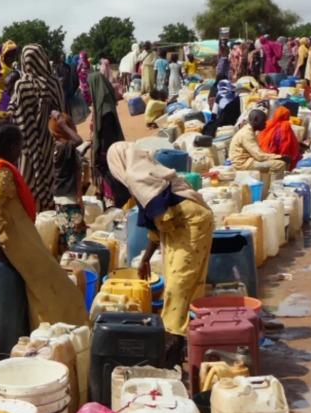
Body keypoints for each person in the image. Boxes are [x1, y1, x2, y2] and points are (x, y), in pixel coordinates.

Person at [0, 121, 88, 328]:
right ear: (11, 147)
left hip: (20, 240)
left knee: (45, 288)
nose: (20, 151)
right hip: (16, 245)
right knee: (58, 290)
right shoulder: (2, 174)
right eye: (19, 146)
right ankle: (57, 330)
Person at [106, 142, 213, 339]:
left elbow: (162, 218)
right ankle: (191, 330)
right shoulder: (145, 170)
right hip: (185, 222)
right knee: (181, 278)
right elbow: (157, 224)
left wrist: (162, 246)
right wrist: (146, 258)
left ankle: (172, 335)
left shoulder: (135, 177)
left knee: (179, 281)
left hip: (192, 223)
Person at [8, 44, 61, 211]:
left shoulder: (21, 85)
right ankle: (49, 220)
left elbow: (13, 113)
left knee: (27, 183)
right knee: (51, 178)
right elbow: (63, 114)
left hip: (26, 146)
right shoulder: (54, 84)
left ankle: (31, 220)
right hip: (50, 143)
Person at [87, 64, 126, 205]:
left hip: (108, 149)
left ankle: (114, 201)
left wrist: (101, 153)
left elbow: (106, 135)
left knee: (111, 177)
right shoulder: (103, 104)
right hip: (108, 148)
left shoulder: (105, 110)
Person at [49, 110, 86, 251]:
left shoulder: (63, 148)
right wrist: (63, 125)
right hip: (67, 201)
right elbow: (79, 140)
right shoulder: (63, 147)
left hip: (66, 199)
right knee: (75, 244)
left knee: (69, 240)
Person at [228, 108, 288, 174]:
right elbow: (259, 156)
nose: (265, 124)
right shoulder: (246, 134)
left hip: (248, 161)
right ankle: (272, 183)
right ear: (255, 120)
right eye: (264, 121)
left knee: (275, 161)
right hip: (243, 164)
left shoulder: (250, 131)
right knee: (279, 164)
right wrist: (280, 157)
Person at [257, 104, 302, 169]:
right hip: (281, 158)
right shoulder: (286, 127)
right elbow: (288, 145)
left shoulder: (268, 124)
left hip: (266, 155)